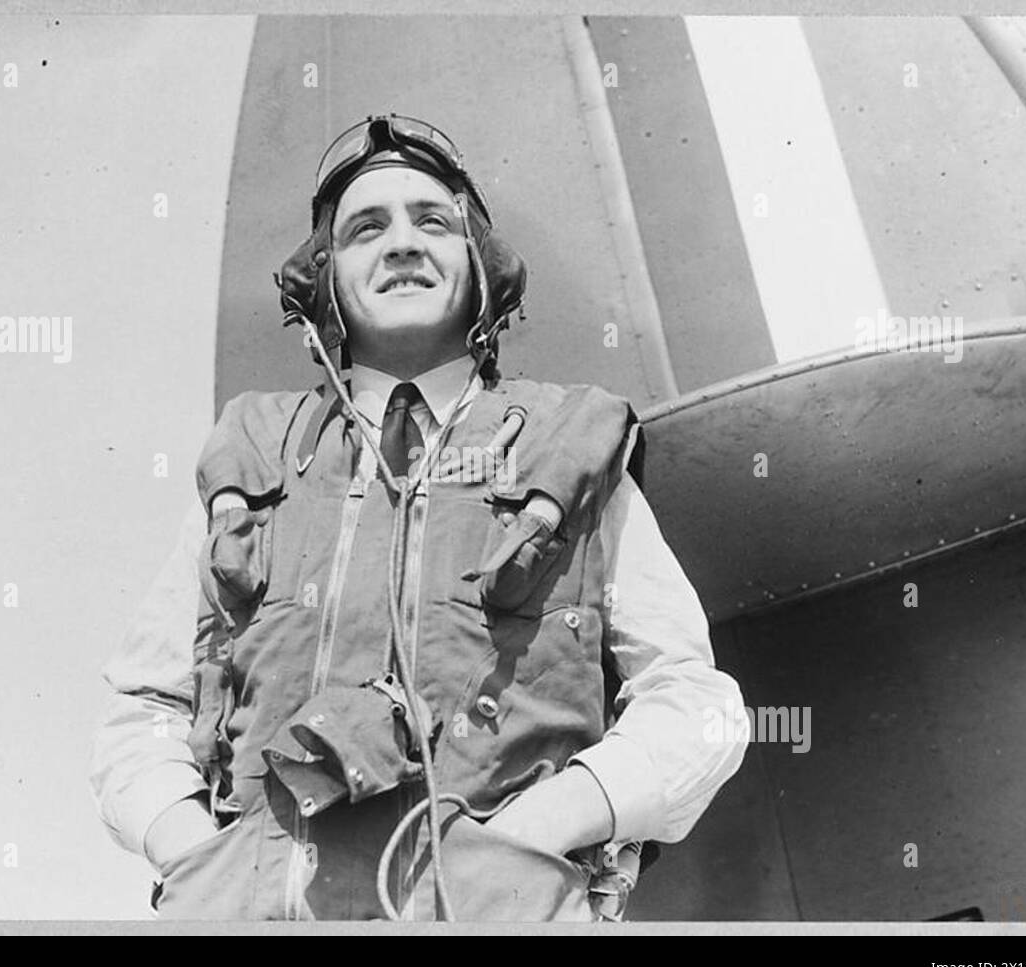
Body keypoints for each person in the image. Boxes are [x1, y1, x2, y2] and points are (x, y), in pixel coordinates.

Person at [89, 114, 750, 921]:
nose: (402, 244)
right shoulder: (248, 467)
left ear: (480, 265)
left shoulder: (572, 453)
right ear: (324, 280)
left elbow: (696, 703)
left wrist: (535, 835)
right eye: (367, 229)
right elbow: (142, 709)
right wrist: (196, 856)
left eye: (432, 221)